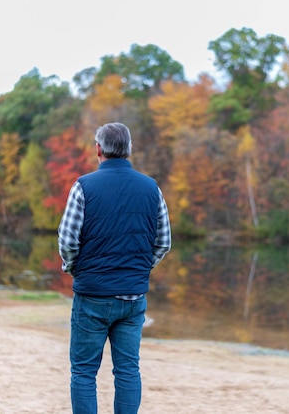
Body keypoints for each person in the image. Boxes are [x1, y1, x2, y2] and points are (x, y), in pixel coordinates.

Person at [58, 122, 171, 414]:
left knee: (83, 372)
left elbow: (68, 240)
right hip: (133, 299)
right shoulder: (151, 188)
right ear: (128, 149)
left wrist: (74, 269)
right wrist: (139, 270)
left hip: (92, 296)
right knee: (128, 371)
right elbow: (163, 242)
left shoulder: (83, 186)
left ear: (98, 149)